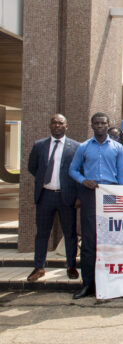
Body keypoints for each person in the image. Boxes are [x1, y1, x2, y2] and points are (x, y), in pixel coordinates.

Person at [69, 113, 123, 298]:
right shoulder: (84, 147)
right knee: (89, 241)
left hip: (110, 193)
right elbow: (72, 170)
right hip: (91, 193)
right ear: (92, 125)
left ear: (108, 124)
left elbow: (122, 174)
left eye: (103, 123)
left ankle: (113, 282)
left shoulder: (117, 147)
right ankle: (88, 284)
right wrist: (83, 180)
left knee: (113, 238)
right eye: (97, 123)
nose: (100, 126)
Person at [26, 114, 80, 283]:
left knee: (70, 233)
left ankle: (71, 266)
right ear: (50, 125)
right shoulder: (39, 145)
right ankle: (39, 267)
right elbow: (32, 167)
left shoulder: (75, 147)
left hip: (66, 196)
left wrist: (78, 196)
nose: (57, 125)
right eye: (54, 123)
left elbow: (80, 171)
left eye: (60, 123)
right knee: (42, 233)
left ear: (66, 126)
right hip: (45, 195)